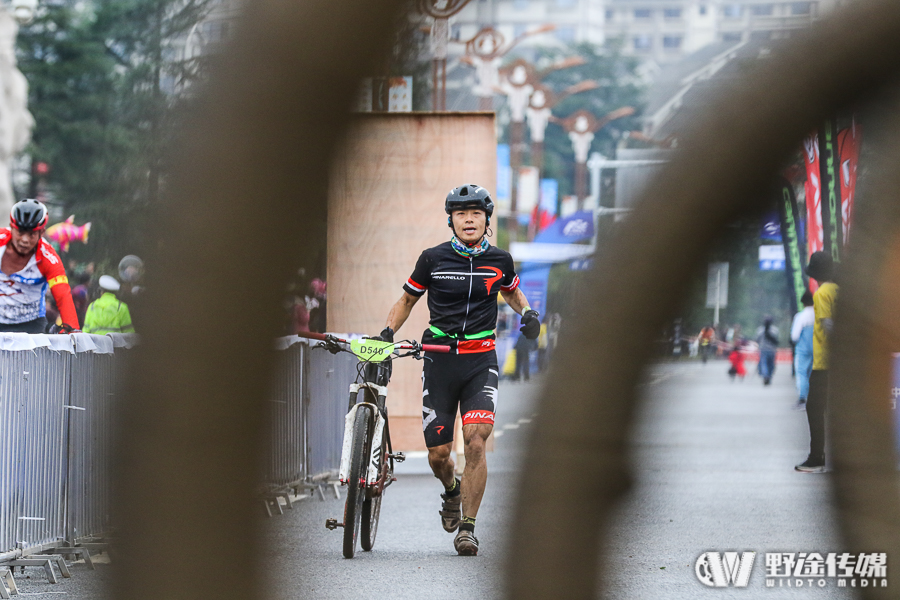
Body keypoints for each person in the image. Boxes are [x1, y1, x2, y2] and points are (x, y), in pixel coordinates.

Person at [379, 184, 539, 556]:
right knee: (439, 454)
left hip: (480, 360)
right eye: (461, 213)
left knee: (477, 441)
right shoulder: (432, 259)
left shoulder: (500, 260)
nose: (469, 219)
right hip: (439, 360)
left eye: (476, 213)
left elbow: (511, 291)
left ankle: (467, 528)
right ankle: (452, 490)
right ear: (450, 220)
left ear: (486, 220)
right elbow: (406, 300)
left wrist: (527, 312)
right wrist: (387, 331)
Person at [0, 199, 79, 333]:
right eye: (20, 233)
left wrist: (72, 329)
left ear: (41, 233)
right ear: (11, 228)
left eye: (31, 234)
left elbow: (63, 295)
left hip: (30, 325)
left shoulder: (48, 257)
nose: (24, 240)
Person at [796, 251, 838, 473]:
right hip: (839, 365)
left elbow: (828, 325)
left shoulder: (821, 293)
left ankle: (816, 456)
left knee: (814, 408)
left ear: (814, 275)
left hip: (824, 364)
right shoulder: (839, 290)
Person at [790, 291, 815, 410]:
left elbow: (795, 336)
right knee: (812, 373)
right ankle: (813, 398)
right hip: (817, 348)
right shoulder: (818, 314)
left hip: (803, 349)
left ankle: (802, 398)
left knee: (802, 373)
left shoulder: (800, 316)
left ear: (803, 303)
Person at [755, 316, 779, 385]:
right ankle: (769, 375)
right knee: (771, 364)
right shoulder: (775, 330)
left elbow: (757, 339)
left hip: (763, 349)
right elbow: (777, 340)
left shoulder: (760, 330)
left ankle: (765, 375)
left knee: (763, 363)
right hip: (772, 350)